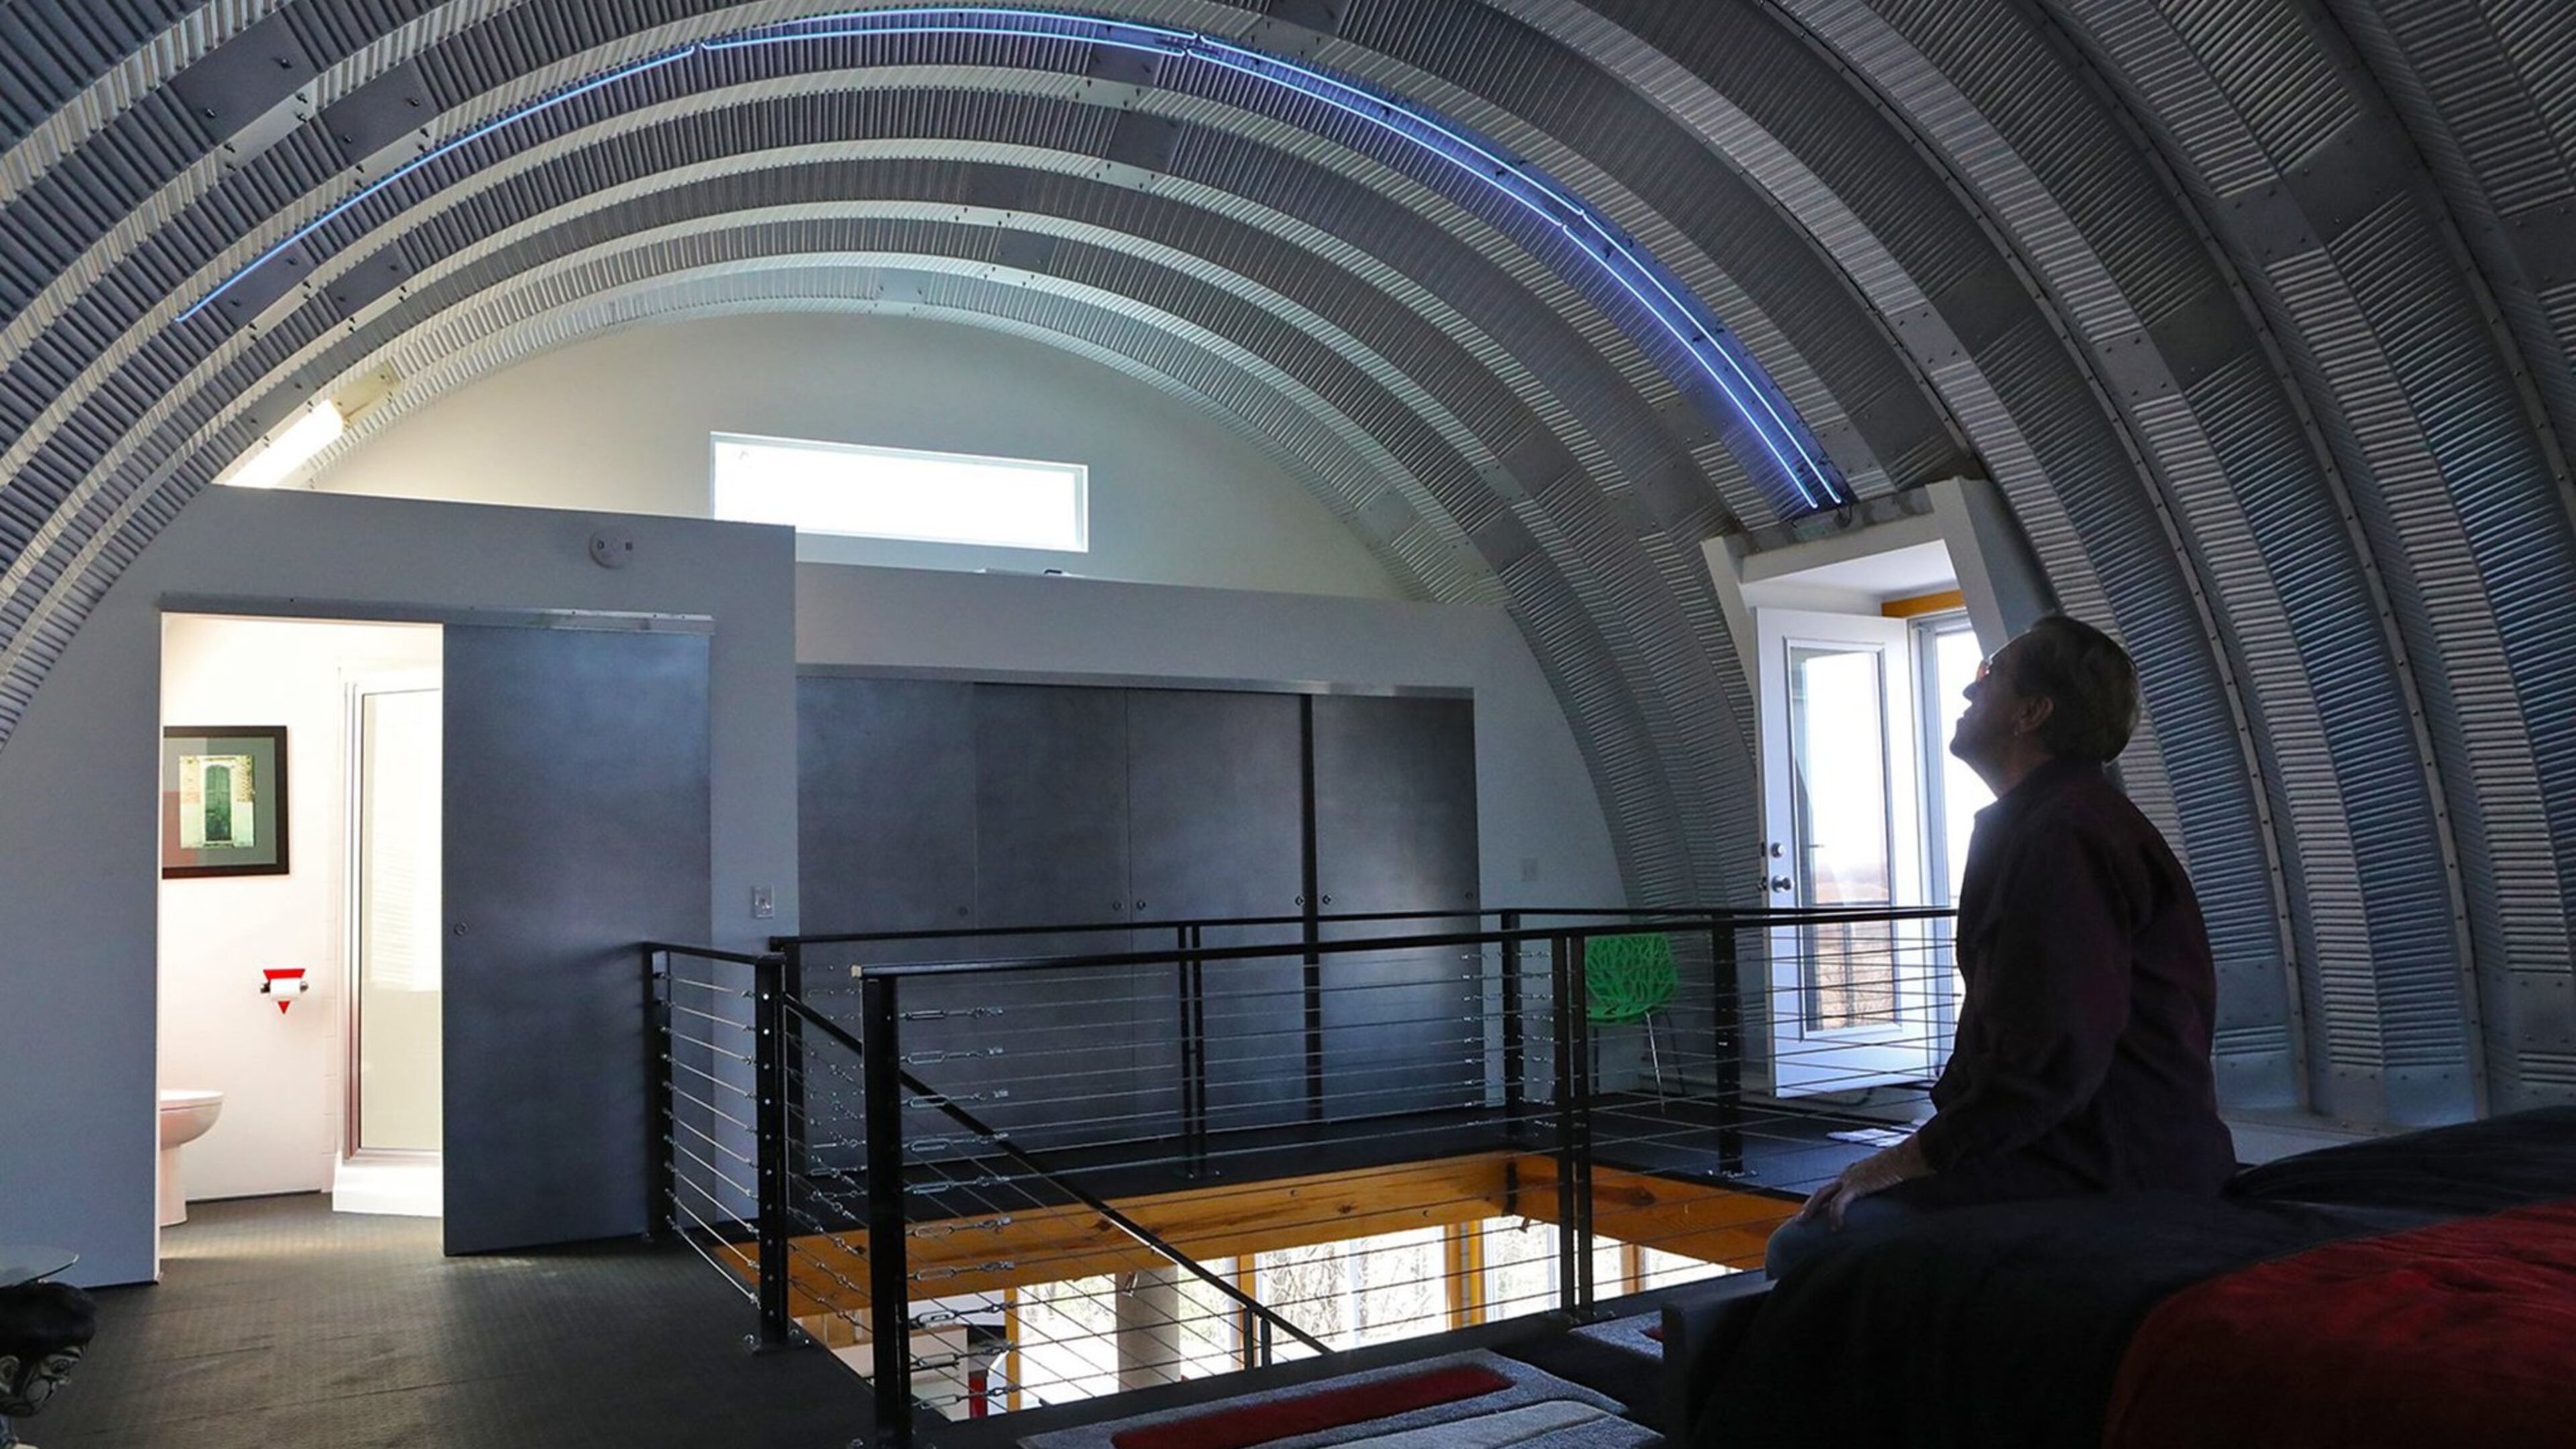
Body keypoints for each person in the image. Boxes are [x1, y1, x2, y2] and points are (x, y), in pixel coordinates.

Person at [1764, 614, 2237, 1279]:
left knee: (1807, 1245)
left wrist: (1903, 1160)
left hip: (2108, 1165)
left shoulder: (2063, 837)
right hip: (2104, 1147)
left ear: (2032, 713)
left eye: (1989, 675)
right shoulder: (2066, 820)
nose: (1966, 690)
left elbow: (2054, 1056)